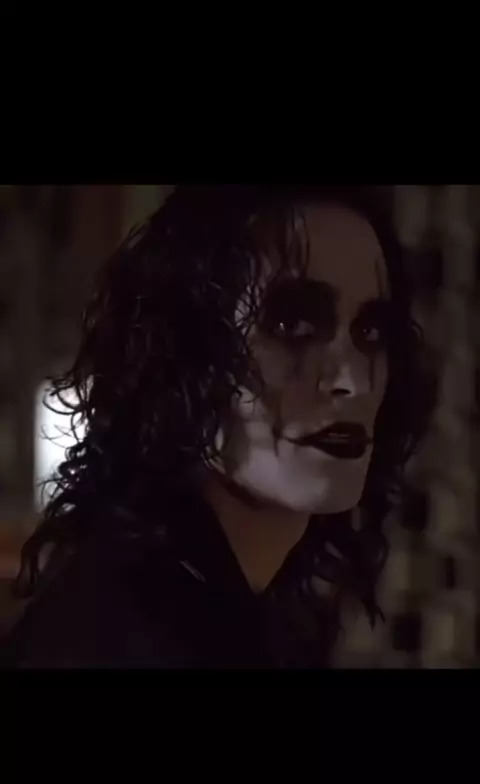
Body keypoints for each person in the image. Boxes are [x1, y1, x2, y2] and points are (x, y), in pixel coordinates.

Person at [0, 185, 432, 668]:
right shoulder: (128, 632)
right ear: (184, 356)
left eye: (371, 331)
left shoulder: (235, 604)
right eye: (292, 326)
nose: (351, 380)